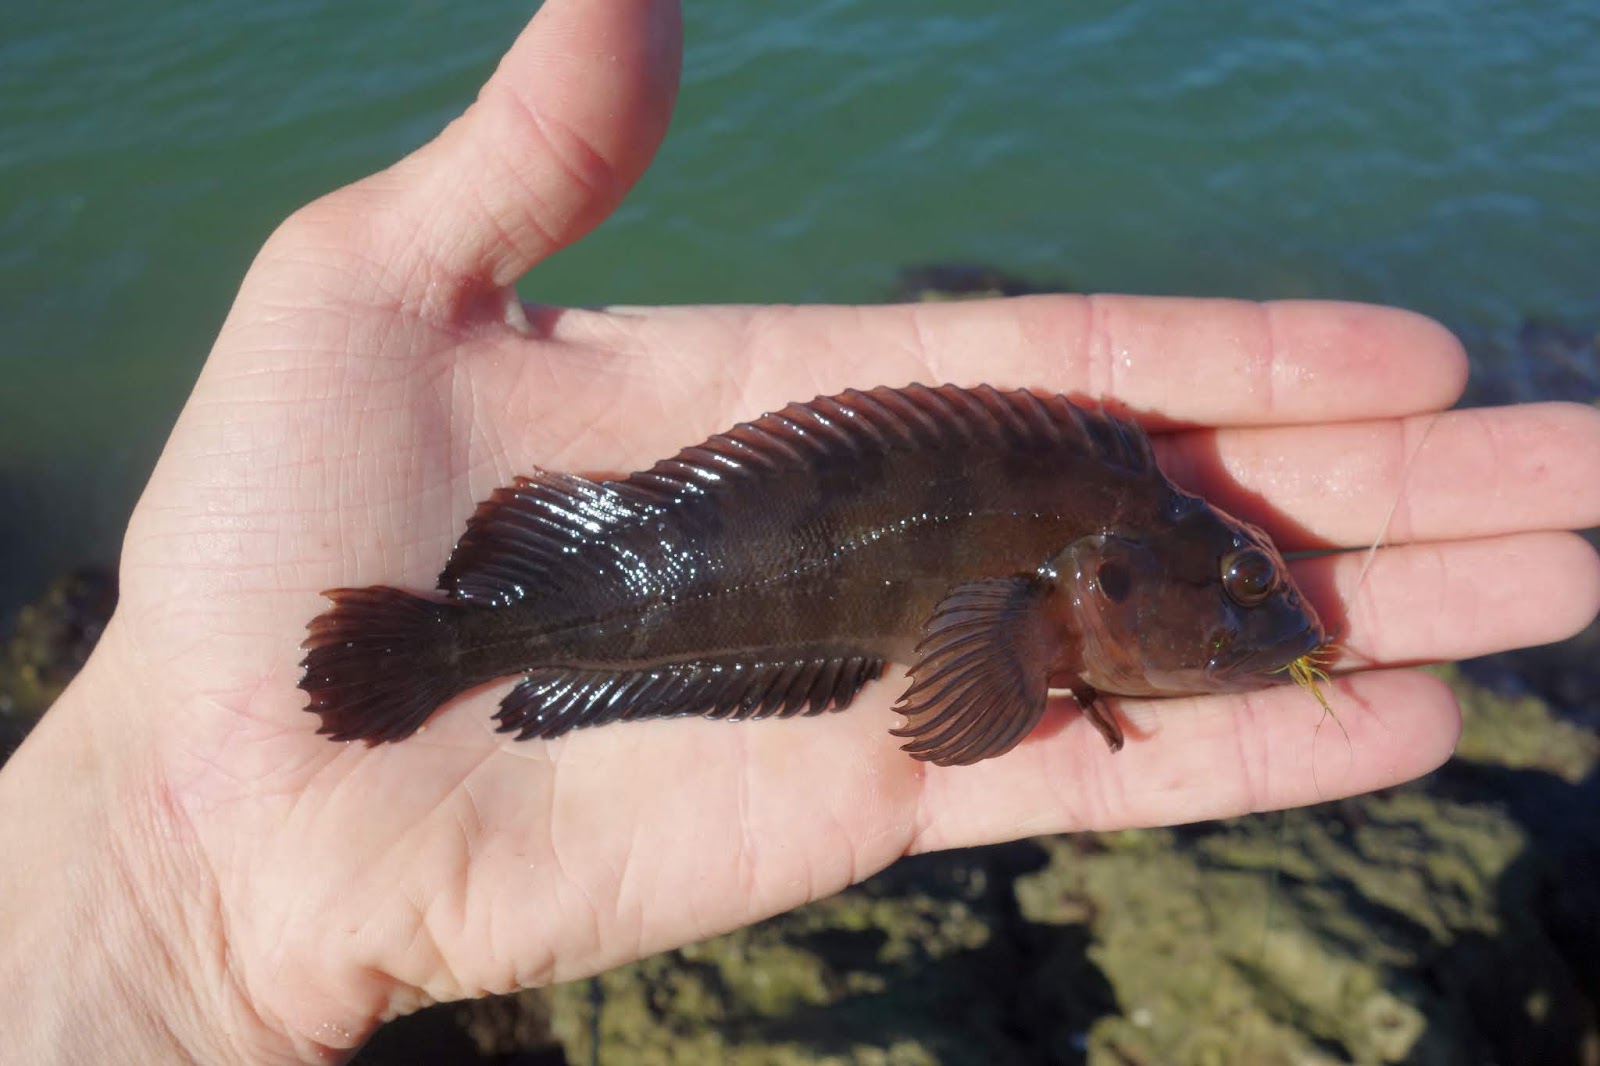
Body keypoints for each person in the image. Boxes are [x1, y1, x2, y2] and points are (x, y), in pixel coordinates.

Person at [3, 0, 1598, 1060]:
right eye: (1241, 595)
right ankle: (465, 644)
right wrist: (165, 903)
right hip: (607, 593)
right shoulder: (1081, 561)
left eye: (1246, 599)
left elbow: (966, 687)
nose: (1266, 619)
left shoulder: (1101, 539)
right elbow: (964, 700)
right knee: (583, 632)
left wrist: (175, 942)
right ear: (1104, 588)